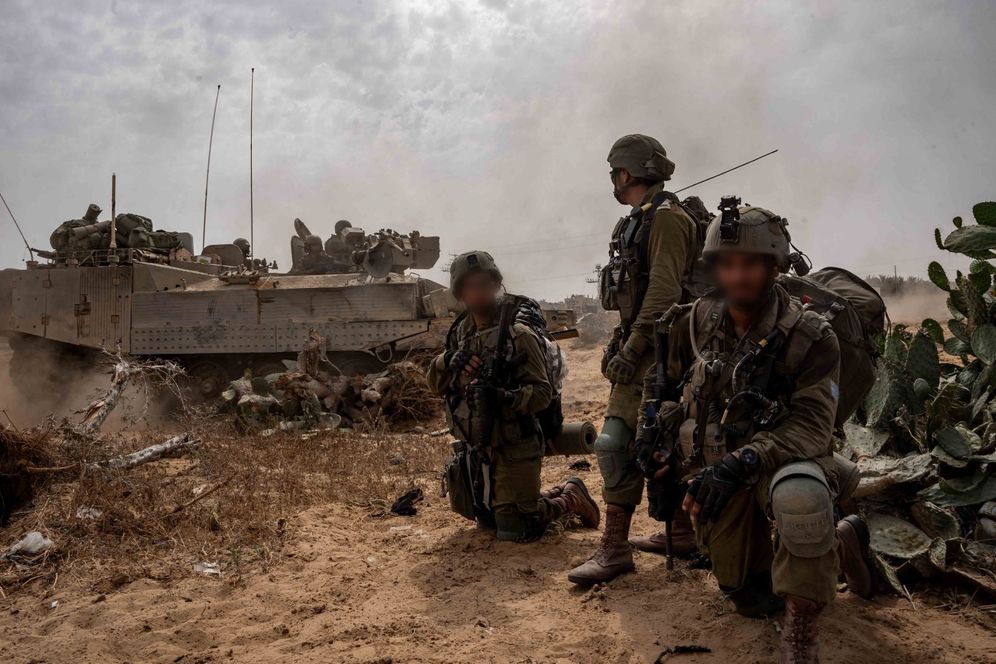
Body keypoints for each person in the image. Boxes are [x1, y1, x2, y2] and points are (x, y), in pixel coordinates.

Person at [642, 201, 875, 663]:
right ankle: (841, 538)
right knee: (748, 597)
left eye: (750, 264)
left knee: (801, 500)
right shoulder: (696, 320)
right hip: (721, 470)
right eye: (727, 264)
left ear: (775, 266)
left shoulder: (811, 337)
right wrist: (653, 437)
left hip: (784, 462)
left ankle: (801, 633)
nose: (738, 276)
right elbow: (663, 384)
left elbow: (812, 425)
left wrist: (743, 460)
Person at [568, 134, 701, 585]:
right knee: (660, 440)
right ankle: (681, 533)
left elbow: (664, 293)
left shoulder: (665, 219)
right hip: (648, 345)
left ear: (626, 173)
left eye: (613, 173)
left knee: (615, 442)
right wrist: (618, 343)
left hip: (663, 350)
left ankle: (614, 548)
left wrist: (633, 347)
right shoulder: (638, 221)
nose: (612, 180)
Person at [426, 251, 600, 542]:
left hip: (515, 443)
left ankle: (571, 497)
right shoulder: (460, 334)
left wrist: (504, 397)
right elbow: (434, 385)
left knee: (516, 529)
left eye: (484, 284)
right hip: (477, 446)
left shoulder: (518, 335)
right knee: (484, 521)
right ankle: (527, 500)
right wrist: (446, 361)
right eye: (470, 286)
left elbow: (543, 393)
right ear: (459, 293)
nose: (478, 292)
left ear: (495, 285)